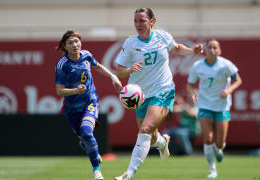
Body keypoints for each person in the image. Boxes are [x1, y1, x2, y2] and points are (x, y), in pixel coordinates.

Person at [114, 8, 203, 180]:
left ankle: (129, 173)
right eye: (136, 21)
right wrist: (129, 69)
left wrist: (192, 51)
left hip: (163, 90)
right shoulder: (130, 43)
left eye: (142, 21)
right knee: (150, 135)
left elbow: (177, 48)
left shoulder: (162, 36)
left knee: (145, 129)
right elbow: (119, 71)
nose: (138, 24)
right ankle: (163, 143)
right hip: (140, 95)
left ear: (152, 21)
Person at [55, 30, 123, 180]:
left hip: (90, 102)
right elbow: (59, 91)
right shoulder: (62, 65)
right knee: (85, 139)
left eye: (76, 41)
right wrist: (75, 90)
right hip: (72, 109)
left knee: (87, 132)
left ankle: (96, 171)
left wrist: (113, 77)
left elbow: (97, 66)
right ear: (65, 47)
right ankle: (86, 145)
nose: (74, 45)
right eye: (70, 43)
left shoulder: (86, 55)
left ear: (80, 42)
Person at [187, 39, 242, 178]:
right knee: (208, 139)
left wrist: (228, 91)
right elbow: (190, 85)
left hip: (222, 106)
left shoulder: (226, 65)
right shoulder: (197, 66)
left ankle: (219, 150)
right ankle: (212, 169)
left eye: (215, 48)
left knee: (219, 143)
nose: (212, 50)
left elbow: (238, 80)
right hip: (204, 105)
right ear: (205, 50)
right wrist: (193, 94)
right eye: (210, 47)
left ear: (219, 50)